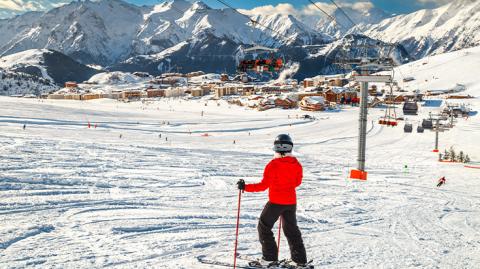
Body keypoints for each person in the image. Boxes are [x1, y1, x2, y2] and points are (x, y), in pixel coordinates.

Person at [237, 134, 308, 267]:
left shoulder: (273, 165)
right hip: (290, 203)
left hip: (275, 202)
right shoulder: (296, 164)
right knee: (292, 231)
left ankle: (269, 258)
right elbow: (297, 182)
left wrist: (245, 187)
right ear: (290, 148)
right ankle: (300, 260)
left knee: (264, 227)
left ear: (275, 149)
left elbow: (263, 185)